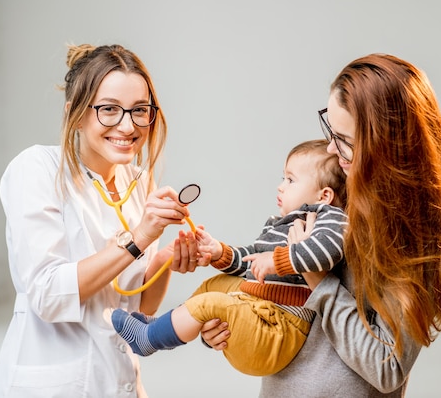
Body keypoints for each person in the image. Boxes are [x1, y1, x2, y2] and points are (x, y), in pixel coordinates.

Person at [194, 53, 441, 397]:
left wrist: (318, 279)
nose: (331, 147)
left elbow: (387, 368)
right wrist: (230, 327)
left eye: (344, 139)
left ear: (385, 145)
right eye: (329, 128)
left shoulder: (410, 241)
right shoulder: (333, 198)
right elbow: (286, 309)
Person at [0, 44, 206, 397]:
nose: (128, 125)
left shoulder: (136, 181)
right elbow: (46, 294)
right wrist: (139, 237)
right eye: (109, 110)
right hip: (54, 386)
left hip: (119, 382)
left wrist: (166, 256)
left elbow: (136, 307)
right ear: (74, 112)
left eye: (140, 110)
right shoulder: (35, 169)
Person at [112, 139, 348, 376]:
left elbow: (326, 252)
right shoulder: (280, 224)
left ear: (323, 196)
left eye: (290, 180)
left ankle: (149, 339)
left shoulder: (330, 218)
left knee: (212, 302)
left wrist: (277, 261)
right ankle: (164, 326)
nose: (280, 187)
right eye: (282, 178)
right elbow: (252, 261)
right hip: (259, 309)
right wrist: (219, 252)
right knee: (213, 286)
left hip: (280, 328)